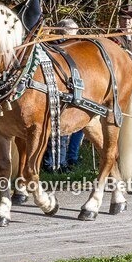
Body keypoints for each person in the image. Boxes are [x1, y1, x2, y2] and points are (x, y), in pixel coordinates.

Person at [43, 18, 84, 172]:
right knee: (58, 129)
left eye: (76, 31)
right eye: (72, 31)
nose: (75, 34)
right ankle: (53, 163)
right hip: (57, 88)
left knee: (67, 129)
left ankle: (63, 162)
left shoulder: (74, 45)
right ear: (63, 30)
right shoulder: (56, 45)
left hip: (72, 88)